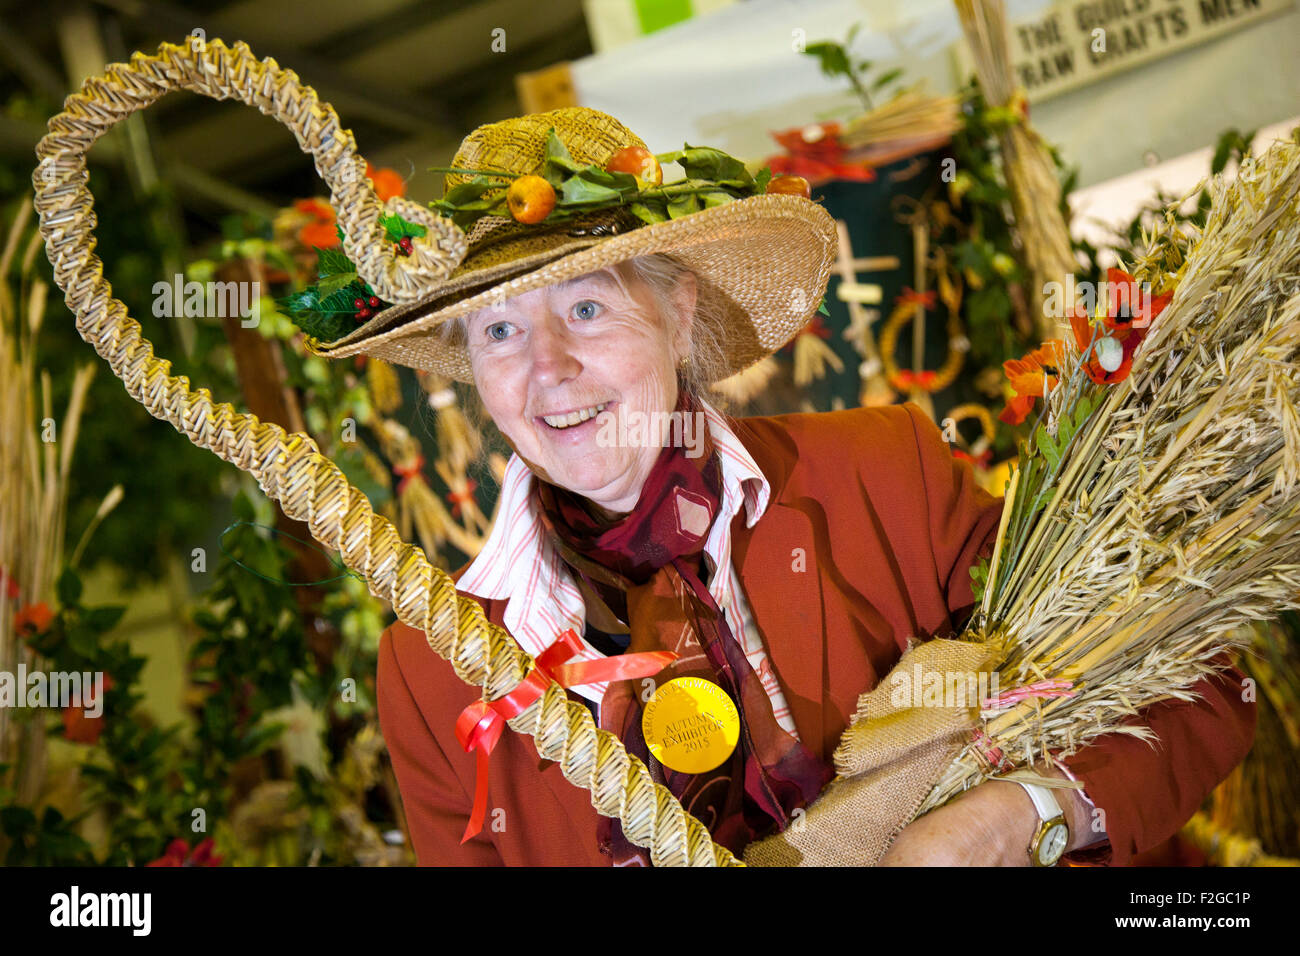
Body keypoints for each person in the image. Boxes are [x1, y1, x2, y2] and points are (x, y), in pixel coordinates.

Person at [359, 108, 1255, 867]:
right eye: (502, 331)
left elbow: (1192, 676)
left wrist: (1014, 816)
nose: (548, 368)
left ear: (678, 313)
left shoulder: (883, 472)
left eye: (587, 308)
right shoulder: (433, 670)